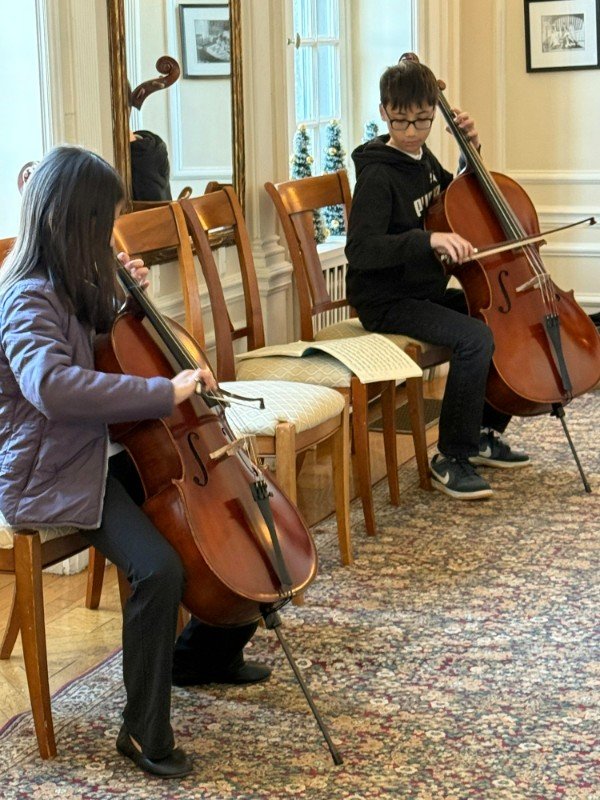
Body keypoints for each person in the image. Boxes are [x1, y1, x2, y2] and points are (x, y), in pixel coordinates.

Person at [0, 145, 269, 778]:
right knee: (159, 569)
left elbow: (98, 342)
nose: (109, 237)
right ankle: (143, 732)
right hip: (52, 473)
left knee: (228, 525)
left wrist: (122, 297)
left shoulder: (68, 278)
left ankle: (205, 656)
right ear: (73, 222)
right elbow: (54, 386)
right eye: (104, 224)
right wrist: (162, 391)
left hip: (97, 450)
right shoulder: (25, 298)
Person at [345, 56, 530, 501]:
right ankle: (450, 456)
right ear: (383, 111)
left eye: (422, 121)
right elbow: (361, 250)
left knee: (497, 320)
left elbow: (454, 196)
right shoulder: (377, 175)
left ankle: (482, 431)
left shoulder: (421, 158)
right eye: (400, 121)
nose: (411, 132)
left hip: (421, 292)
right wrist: (427, 241)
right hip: (386, 301)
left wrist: (470, 150)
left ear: (433, 113)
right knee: (474, 338)